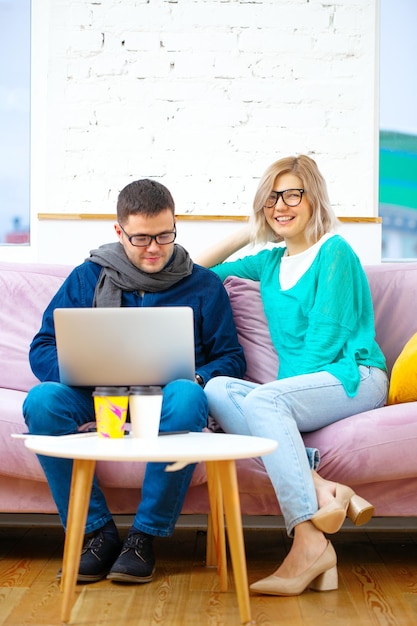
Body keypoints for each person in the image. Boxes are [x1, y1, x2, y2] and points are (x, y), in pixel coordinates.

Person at [23, 178, 245, 584]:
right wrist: (80, 370)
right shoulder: (87, 277)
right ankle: (97, 533)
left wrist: (196, 375)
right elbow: (42, 346)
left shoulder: (203, 285)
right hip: (94, 396)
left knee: (189, 396)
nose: (155, 248)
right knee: (41, 402)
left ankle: (143, 537)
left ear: (175, 225)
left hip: (165, 400)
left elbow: (231, 357)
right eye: (141, 238)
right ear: (119, 232)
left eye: (165, 235)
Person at [195, 155, 388, 596]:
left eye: (292, 194)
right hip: (299, 391)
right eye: (271, 198)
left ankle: (308, 542)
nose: (281, 205)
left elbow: (325, 343)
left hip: (352, 375)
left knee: (264, 401)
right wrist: (251, 227)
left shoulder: (334, 251)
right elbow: (196, 272)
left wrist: (274, 401)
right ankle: (324, 488)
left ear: (313, 197)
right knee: (219, 388)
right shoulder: (268, 262)